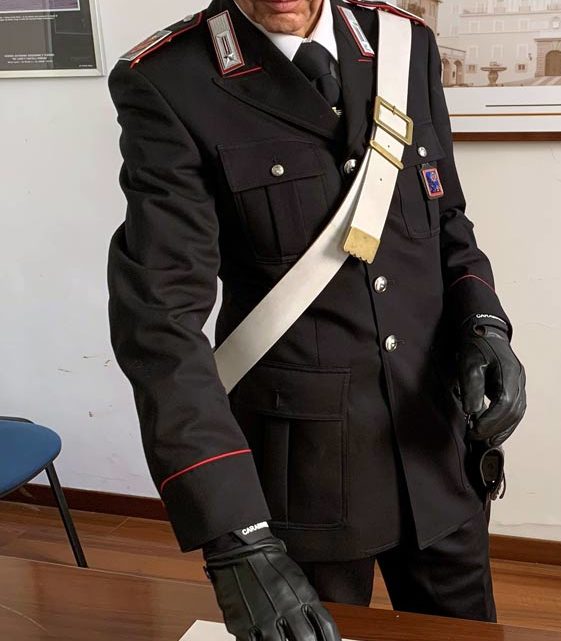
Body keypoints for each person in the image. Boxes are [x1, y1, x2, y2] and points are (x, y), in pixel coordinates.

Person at [106, 0, 526, 639]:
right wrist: (234, 533)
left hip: (435, 445)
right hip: (303, 478)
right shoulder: (169, 79)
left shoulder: (404, 44)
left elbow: (446, 220)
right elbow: (160, 324)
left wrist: (484, 324)